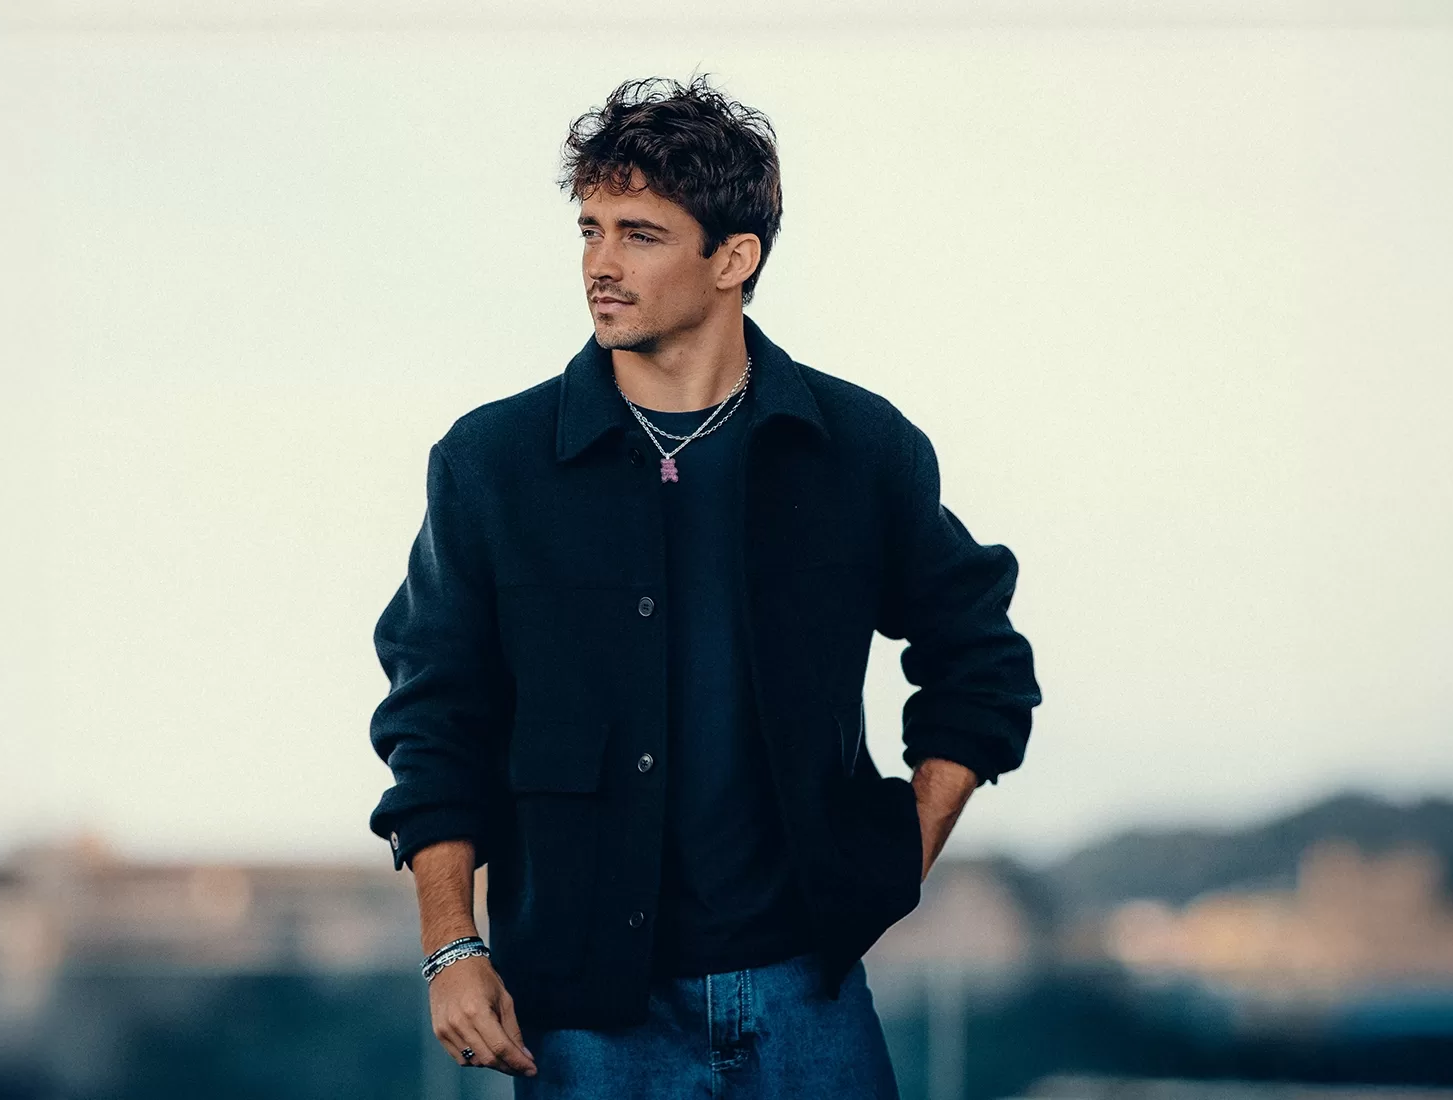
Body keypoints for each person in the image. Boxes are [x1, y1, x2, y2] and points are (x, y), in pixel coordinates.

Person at [367, 74, 1042, 1098]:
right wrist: (449, 944)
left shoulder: (859, 450)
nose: (599, 263)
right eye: (588, 228)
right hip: (588, 1014)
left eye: (639, 233)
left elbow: (981, 659)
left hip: (807, 995)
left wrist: (898, 849)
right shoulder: (491, 463)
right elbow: (434, 716)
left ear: (734, 258)